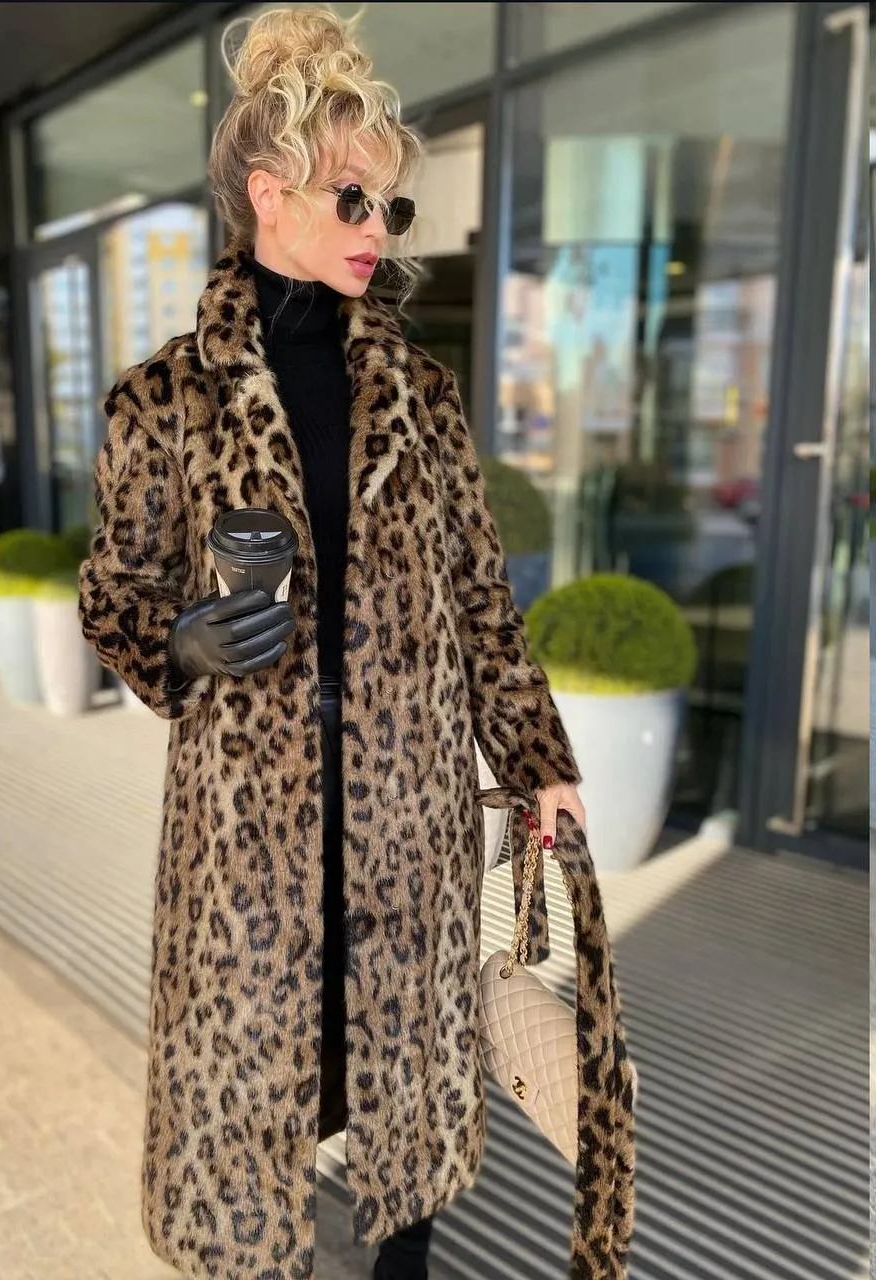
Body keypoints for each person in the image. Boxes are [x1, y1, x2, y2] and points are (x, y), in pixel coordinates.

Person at [79, 8, 587, 1278]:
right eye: (353, 198)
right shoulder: (163, 398)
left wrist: (537, 759)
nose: (378, 228)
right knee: (252, 1124)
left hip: (410, 823)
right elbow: (113, 595)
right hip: (249, 842)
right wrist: (181, 641)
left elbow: (481, 599)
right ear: (271, 191)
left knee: (405, 1114)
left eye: (392, 207)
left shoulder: (422, 395)